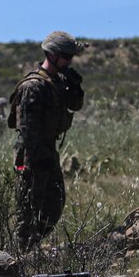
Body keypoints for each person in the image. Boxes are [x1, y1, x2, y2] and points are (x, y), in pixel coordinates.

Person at [10, 30, 87, 250]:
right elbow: (27, 128)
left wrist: (75, 88)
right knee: (29, 209)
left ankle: (33, 244)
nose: (69, 60)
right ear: (52, 54)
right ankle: (22, 253)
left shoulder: (59, 81)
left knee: (55, 203)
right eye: (66, 55)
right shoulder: (33, 86)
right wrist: (35, 161)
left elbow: (76, 105)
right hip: (32, 154)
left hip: (48, 150)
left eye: (71, 56)